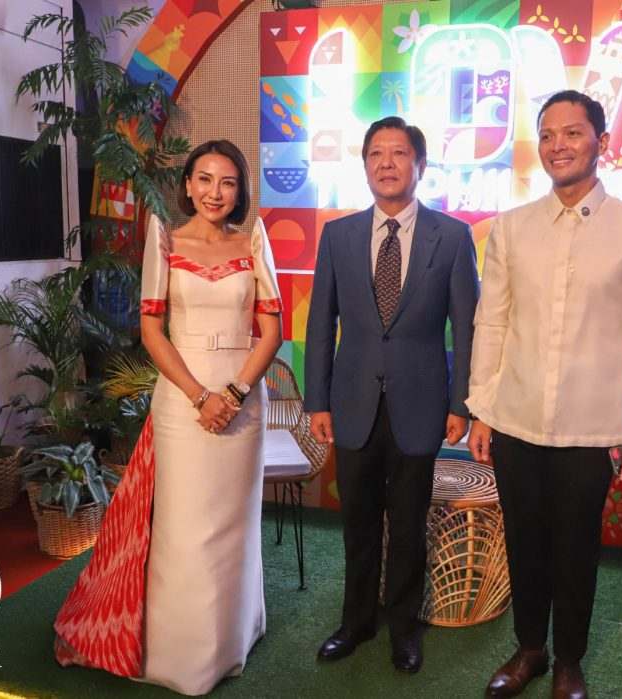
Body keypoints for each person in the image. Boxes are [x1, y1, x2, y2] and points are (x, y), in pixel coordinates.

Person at [52, 139, 283, 696]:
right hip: (182, 400)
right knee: (185, 528)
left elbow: (273, 330)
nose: (214, 192)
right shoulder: (166, 241)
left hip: (243, 397)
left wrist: (234, 391)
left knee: (232, 527)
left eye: (227, 182)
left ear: (240, 191)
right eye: (204, 179)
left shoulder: (253, 241)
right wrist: (201, 397)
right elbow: (152, 331)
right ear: (187, 185)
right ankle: (181, 653)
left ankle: (231, 638)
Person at [466, 90, 622, 699]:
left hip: (591, 429)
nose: (558, 145)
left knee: (577, 551)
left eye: (573, 133)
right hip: (515, 421)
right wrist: (481, 410)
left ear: (601, 143)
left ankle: (570, 662)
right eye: (548, 134)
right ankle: (530, 650)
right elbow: (491, 324)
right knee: (524, 544)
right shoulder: (511, 228)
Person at [305, 116, 479, 673]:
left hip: (421, 404)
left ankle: (404, 628)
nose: (386, 163)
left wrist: (461, 404)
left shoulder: (452, 237)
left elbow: (467, 327)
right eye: (376, 153)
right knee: (357, 523)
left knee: (407, 526)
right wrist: (317, 401)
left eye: (399, 153)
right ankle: (356, 622)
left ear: (420, 165)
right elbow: (320, 323)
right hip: (352, 402)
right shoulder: (338, 236)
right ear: (364, 166)